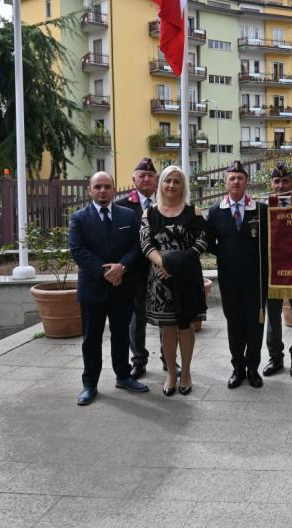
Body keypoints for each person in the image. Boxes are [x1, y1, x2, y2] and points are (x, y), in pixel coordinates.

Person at [69, 171, 148, 406]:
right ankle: (89, 384)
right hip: (93, 287)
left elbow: (137, 247)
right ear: (89, 190)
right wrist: (106, 271)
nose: (102, 191)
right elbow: (78, 250)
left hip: (122, 286)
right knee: (91, 338)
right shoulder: (79, 218)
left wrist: (122, 267)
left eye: (106, 187)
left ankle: (123, 376)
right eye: (98, 187)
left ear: (114, 189)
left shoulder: (128, 216)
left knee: (121, 335)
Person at [139, 166, 208, 396]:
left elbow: (201, 243)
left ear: (183, 185)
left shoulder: (194, 212)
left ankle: (186, 372)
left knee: (186, 326)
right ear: (161, 184)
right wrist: (163, 264)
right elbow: (146, 244)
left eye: (176, 181)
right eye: (167, 180)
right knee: (167, 328)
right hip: (161, 280)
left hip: (187, 277)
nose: (171, 185)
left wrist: (177, 265)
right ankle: (170, 373)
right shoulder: (149, 213)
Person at [205, 160, 268, 389]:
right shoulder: (215, 211)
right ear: (225, 183)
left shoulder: (260, 209)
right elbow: (208, 241)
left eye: (240, 178)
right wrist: (227, 253)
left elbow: (269, 243)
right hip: (229, 278)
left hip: (256, 279)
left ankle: (253, 368)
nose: (236, 181)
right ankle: (237, 368)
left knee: (255, 324)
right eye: (231, 178)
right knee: (234, 324)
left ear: (247, 182)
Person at [114, 158, 167, 378]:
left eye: (150, 175)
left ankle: (169, 358)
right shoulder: (122, 205)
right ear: (133, 179)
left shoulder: (166, 202)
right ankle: (138, 360)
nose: (146, 179)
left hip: (162, 270)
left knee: (167, 316)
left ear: (156, 180)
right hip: (134, 271)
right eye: (141, 175)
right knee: (136, 319)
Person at [262, 162, 292, 378]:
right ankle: (275, 357)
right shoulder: (263, 207)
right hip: (272, 269)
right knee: (273, 316)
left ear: (291, 182)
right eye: (277, 181)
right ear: (271, 184)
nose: (281, 185)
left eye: (285, 181)